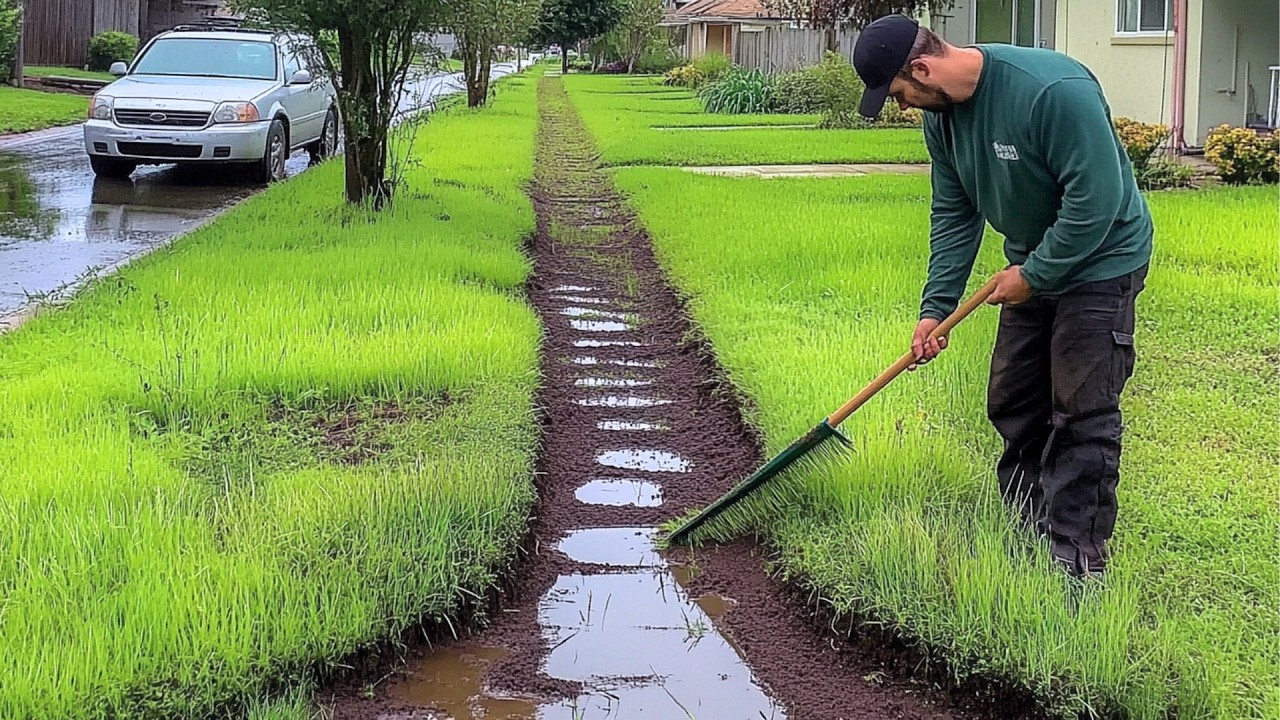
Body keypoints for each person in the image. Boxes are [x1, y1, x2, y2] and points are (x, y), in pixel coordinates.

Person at [850, 15, 1153, 579]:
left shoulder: (1053, 92)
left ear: (921, 68)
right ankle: (1022, 527)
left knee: (1081, 407)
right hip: (1031, 263)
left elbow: (1097, 200)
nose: (902, 107)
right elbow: (955, 212)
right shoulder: (941, 120)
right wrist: (935, 309)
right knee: (1014, 399)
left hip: (1101, 261)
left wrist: (1034, 274)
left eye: (899, 94)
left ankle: (1075, 557)